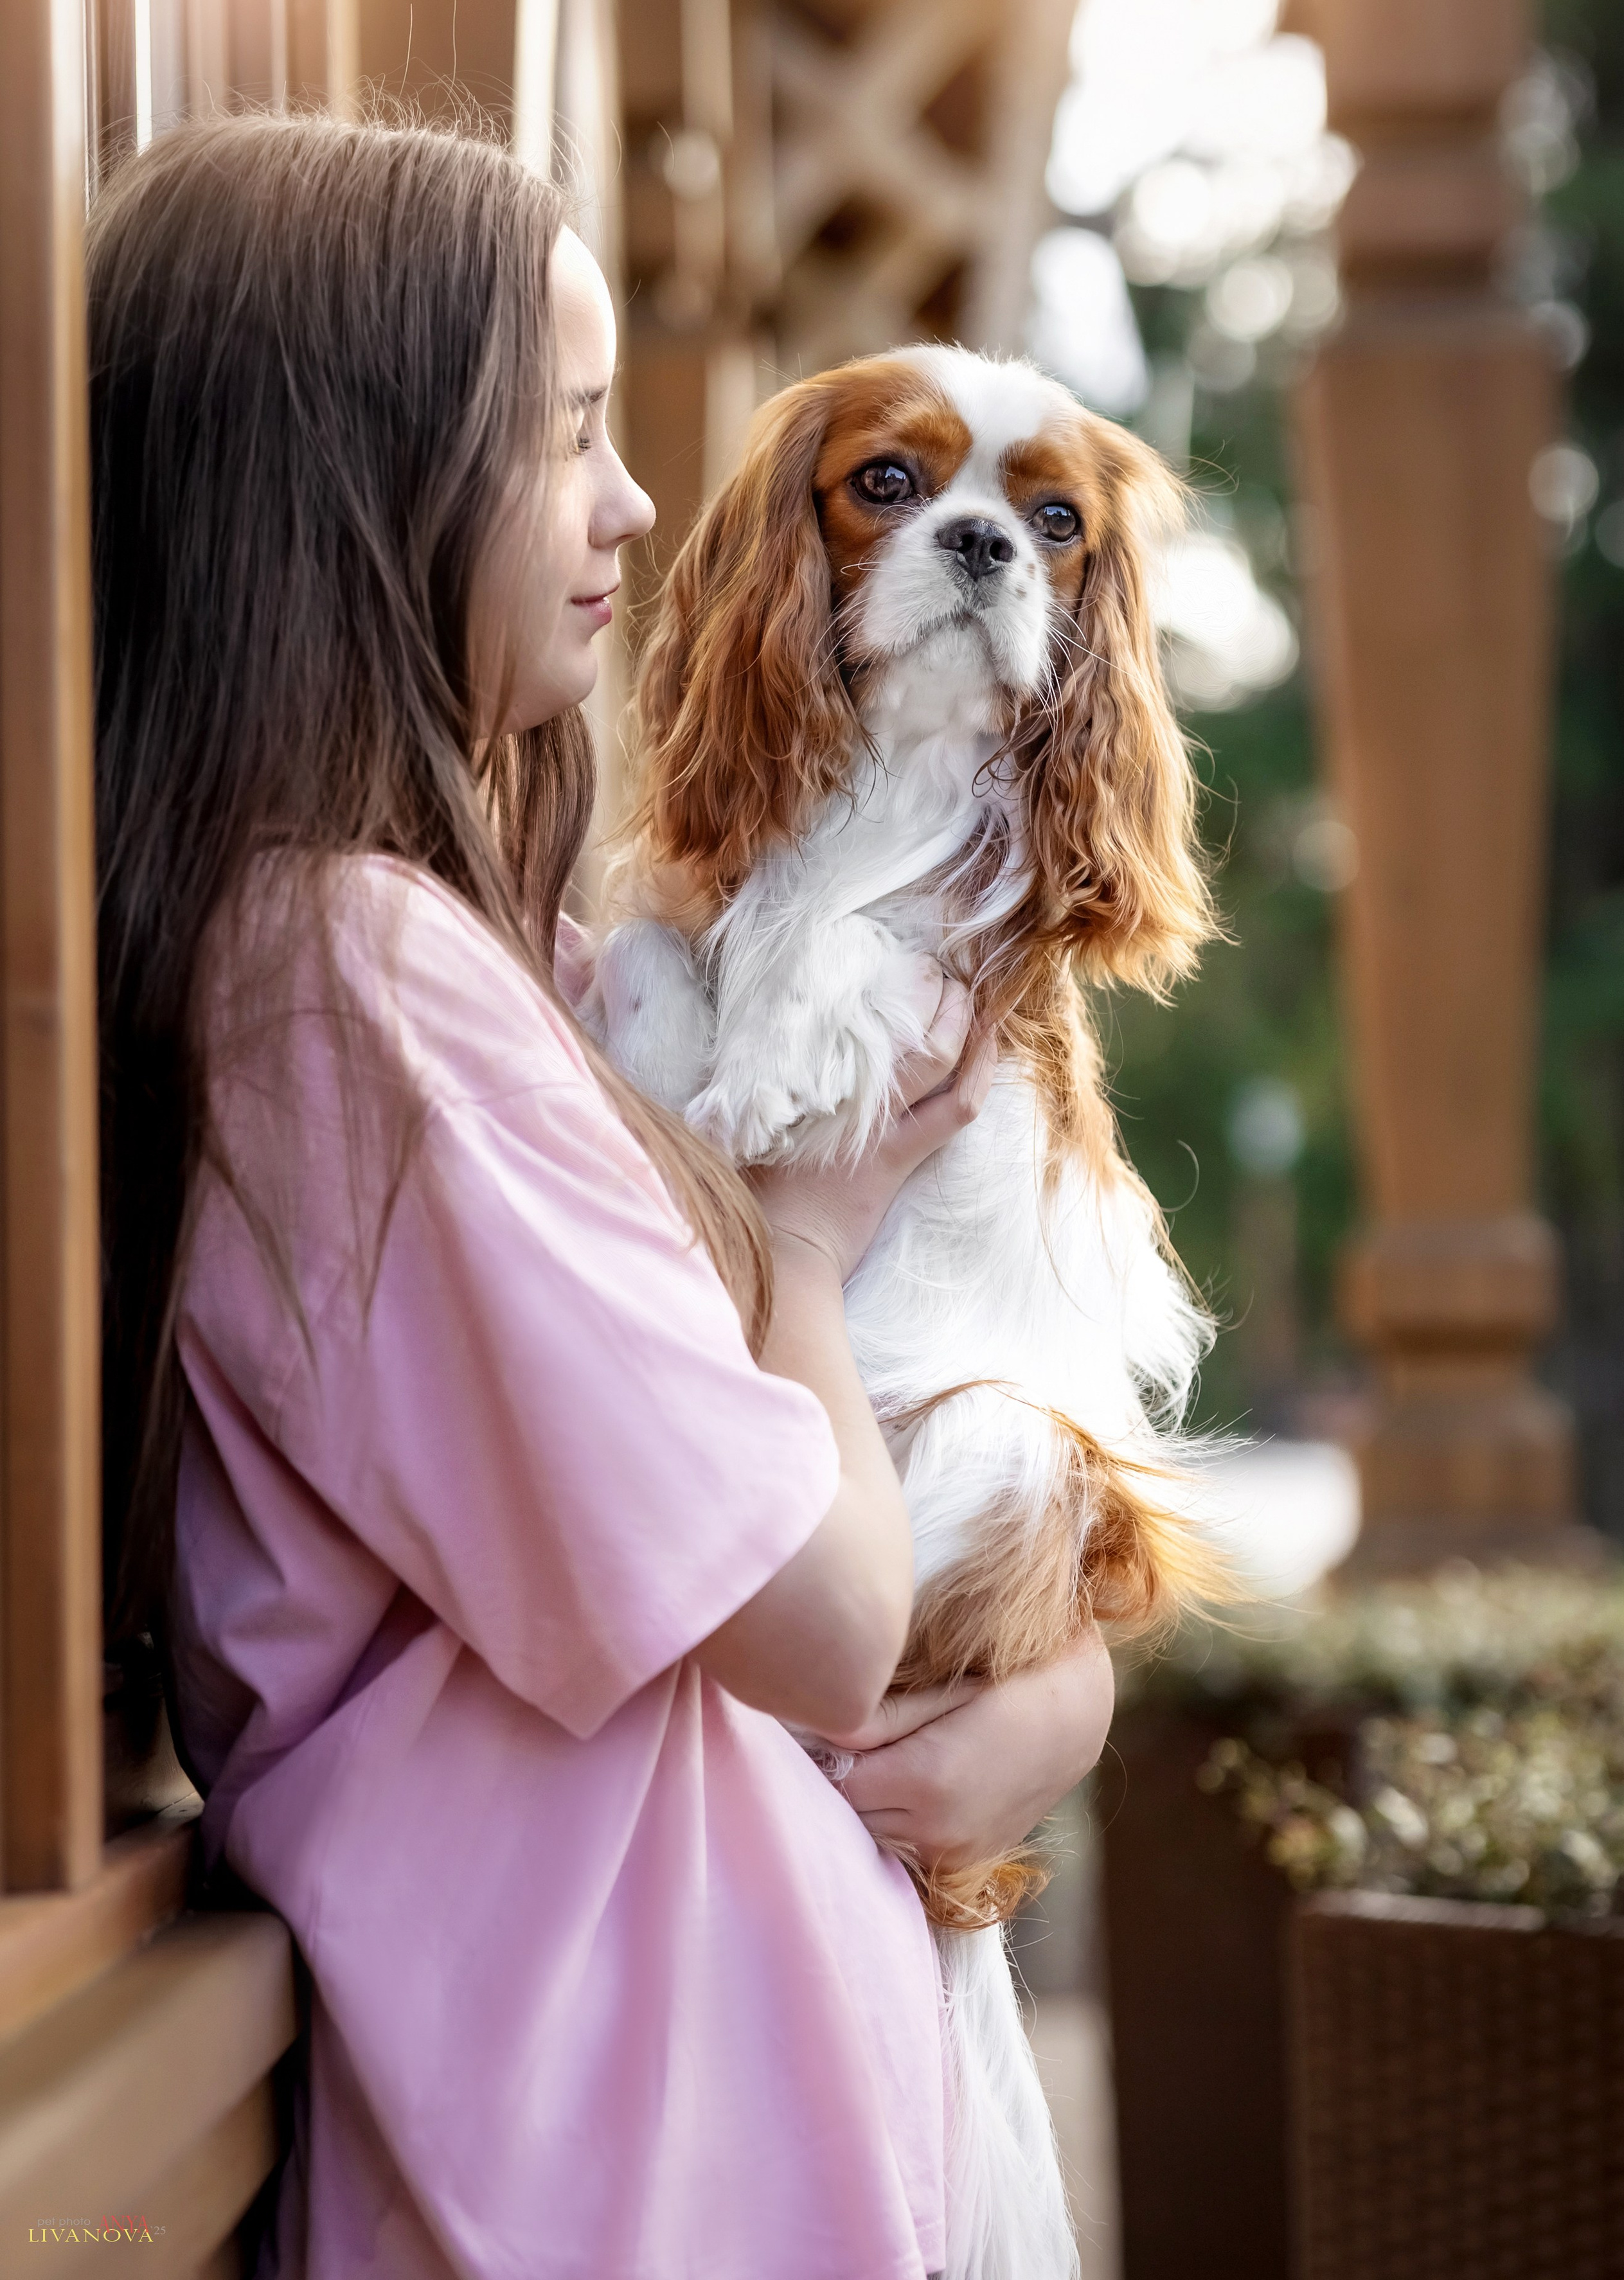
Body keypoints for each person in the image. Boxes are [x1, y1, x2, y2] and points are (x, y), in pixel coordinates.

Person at [90, 111, 1115, 2280]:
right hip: (631, 2177)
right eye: (567, 437)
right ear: (356, 487)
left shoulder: (495, 973)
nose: (637, 506)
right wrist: (815, 1250)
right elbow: (825, 1625)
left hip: (715, 2133)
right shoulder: (351, 993)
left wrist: (1061, 1694)